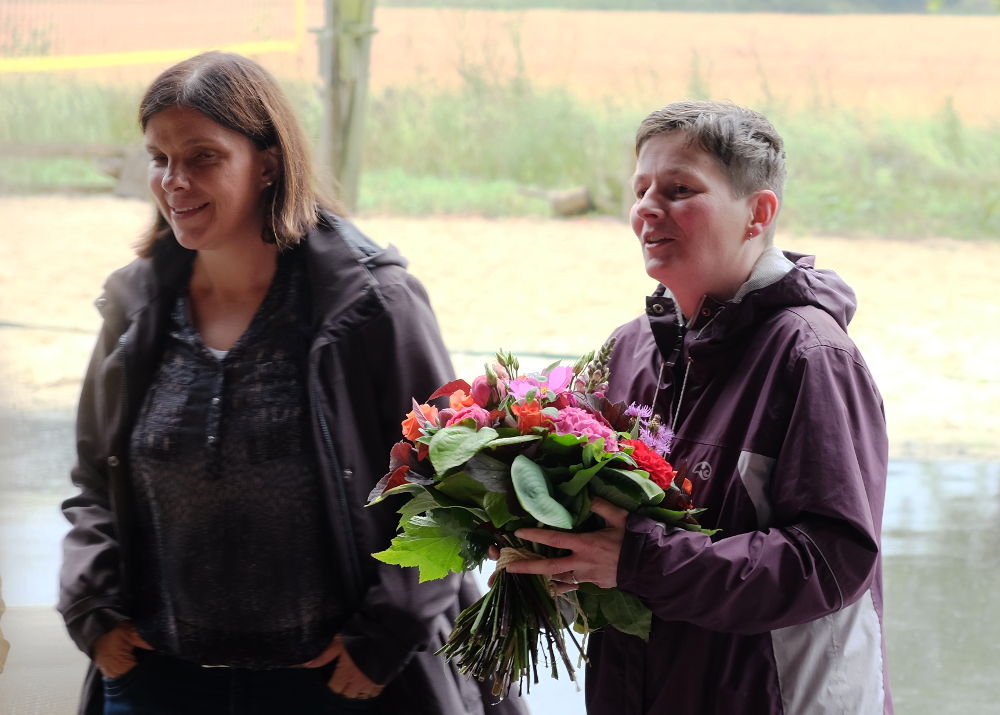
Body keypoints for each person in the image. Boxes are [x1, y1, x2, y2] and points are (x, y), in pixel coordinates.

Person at [58, 51, 527, 715]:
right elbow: (93, 484)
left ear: (268, 161)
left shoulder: (371, 303)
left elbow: (450, 488)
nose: (174, 181)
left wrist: (385, 637)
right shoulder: (135, 308)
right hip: (157, 680)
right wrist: (92, 607)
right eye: (159, 158)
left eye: (202, 156)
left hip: (336, 684)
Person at [505, 100, 892, 714]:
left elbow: (831, 562)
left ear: (757, 213)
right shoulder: (627, 350)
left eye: (680, 189)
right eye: (641, 189)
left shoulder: (811, 356)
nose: (647, 209)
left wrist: (640, 559)